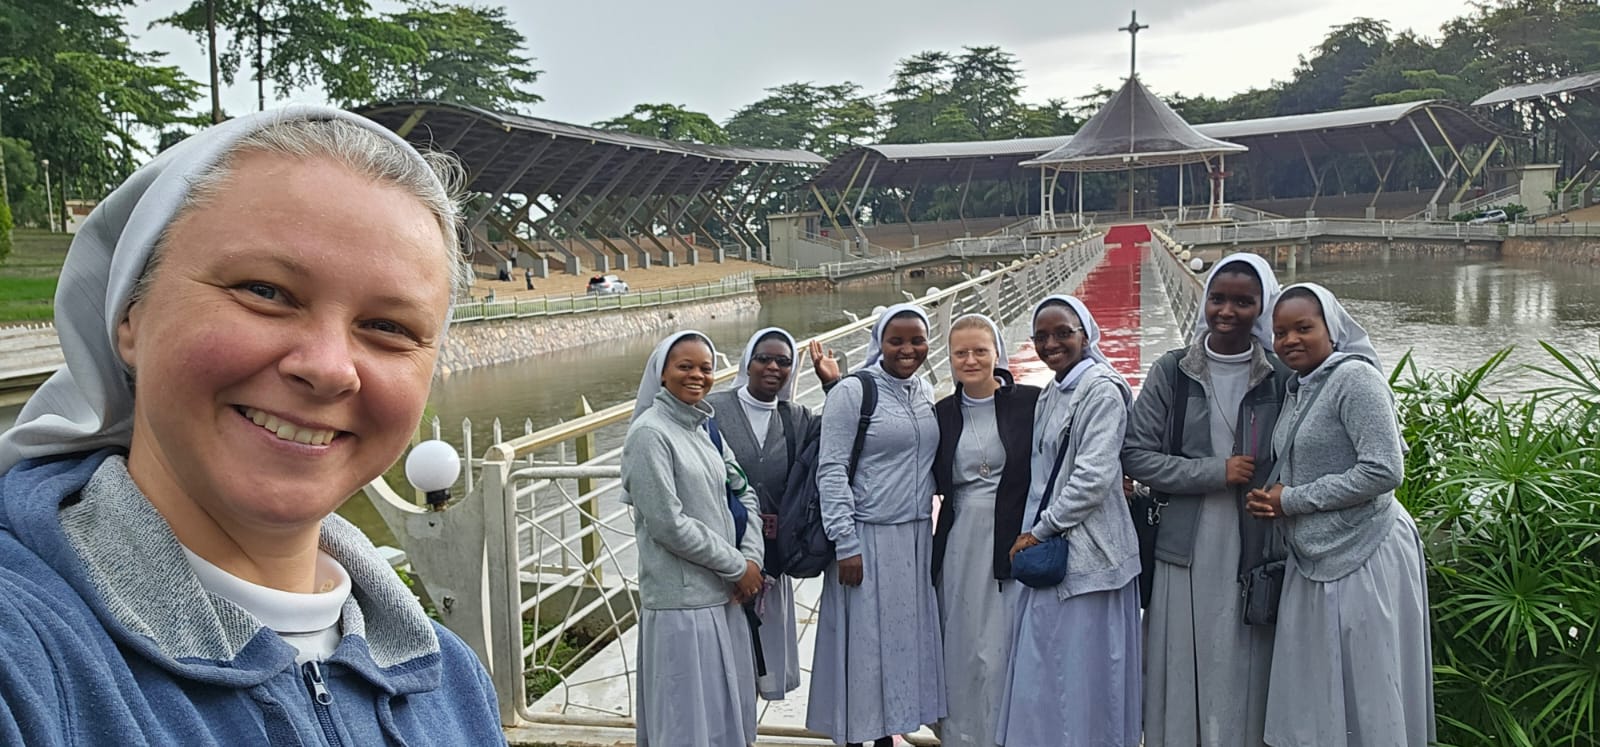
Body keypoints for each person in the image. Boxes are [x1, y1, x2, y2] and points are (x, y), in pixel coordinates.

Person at [0, 108, 503, 744]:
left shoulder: (451, 683)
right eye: (265, 291)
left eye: (388, 327)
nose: (328, 368)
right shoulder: (24, 654)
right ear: (129, 314)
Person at [1246, 283, 1435, 747]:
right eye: (1280, 332)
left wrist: (1291, 501)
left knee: (1369, 683)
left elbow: (1384, 470)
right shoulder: (1299, 386)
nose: (1290, 340)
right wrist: (1277, 501)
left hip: (1365, 552)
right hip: (1314, 556)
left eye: (1303, 328)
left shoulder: (1355, 379)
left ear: (1332, 329)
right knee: (1320, 684)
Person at [1123, 254, 1291, 746]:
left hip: (1255, 542)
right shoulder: (1174, 371)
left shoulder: (1282, 377)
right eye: (1218, 299)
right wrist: (1216, 472)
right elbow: (1135, 455)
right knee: (1181, 656)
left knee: (1244, 655)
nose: (1227, 311)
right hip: (1184, 542)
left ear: (1263, 307)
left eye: (1244, 301)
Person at [996, 295, 1140, 747]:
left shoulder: (1101, 390)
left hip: (1090, 558)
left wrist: (1039, 532)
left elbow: (1092, 479)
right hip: (1050, 555)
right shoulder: (1053, 391)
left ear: (1086, 334)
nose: (1051, 344)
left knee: (1083, 674)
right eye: (1041, 336)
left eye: (1063, 333)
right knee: (1049, 672)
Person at [807, 303, 945, 747]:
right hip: (866, 537)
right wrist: (845, 542)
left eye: (918, 340)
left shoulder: (924, 390)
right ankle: (854, 736)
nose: (908, 349)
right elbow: (831, 470)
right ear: (879, 343)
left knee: (901, 645)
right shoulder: (853, 391)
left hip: (914, 537)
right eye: (896, 340)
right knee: (863, 646)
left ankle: (888, 734)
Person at [623, 330, 765, 747]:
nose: (697, 375)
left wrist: (752, 559)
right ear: (662, 373)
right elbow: (668, 524)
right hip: (681, 606)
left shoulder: (706, 429)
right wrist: (737, 567)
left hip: (724, 597)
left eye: (706, 367)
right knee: (685, 723)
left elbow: (744, 492)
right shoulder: (650, 435)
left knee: (723, 718)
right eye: (685, 366)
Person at [703, 327, 838, 702]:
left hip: (774, 558)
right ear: (747, 362)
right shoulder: (714, 409)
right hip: (723, 553)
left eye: (783, 361)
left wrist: (832, 384)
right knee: (723, 659)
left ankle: (746, 725)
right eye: (763, 358)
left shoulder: (797, 419)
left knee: (761, 655)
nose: (773, 367)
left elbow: (843, 431)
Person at [930, 314, 1040, 747]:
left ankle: (1008, 734)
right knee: (962, 641)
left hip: (1013, 535)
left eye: (980, 350)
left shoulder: (1030, 403)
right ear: (950, 358)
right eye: (961, 353)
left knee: (1005, 642)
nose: (971, 360)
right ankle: (963, 735)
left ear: (997, 353)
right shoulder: (941, 414)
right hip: (961, 538)